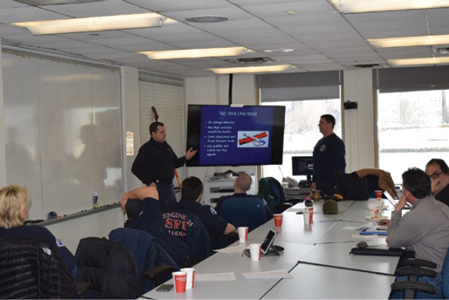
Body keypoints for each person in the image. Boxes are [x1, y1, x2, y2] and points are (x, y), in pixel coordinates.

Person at [0, 184, 77, 278]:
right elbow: (71, 267)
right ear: (21, 212)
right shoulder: (39, 233)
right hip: (40, 291)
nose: (26, 209)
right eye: (25, 206)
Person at [131, 121, 198, 211]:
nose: (165, 134)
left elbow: (174, 163)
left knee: (172, 213)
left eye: (165, 131)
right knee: (161, 215)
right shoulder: (146, 149)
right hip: (158, 188)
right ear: (153, 134)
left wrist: (185, 158)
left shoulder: (166, 147)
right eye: (161, 132)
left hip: (169, 187)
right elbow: (135, 168)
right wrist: (149, 182)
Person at [119, 184, 188, 266]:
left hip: (153, 269)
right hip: (174, 262)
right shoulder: (150, 217)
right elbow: (151, 190)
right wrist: (125, 196)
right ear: (143, 208)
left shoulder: (126, 231)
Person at [167, 176, 237, 249]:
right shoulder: (205, 212)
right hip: (202, 257)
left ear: (181, 192)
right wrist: (236, 230)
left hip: (174, 255)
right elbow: (227, 230)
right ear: (200, 196)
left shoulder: (169, 210)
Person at [312, 114, 346, 197]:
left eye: (321, 122)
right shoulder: (319, 143)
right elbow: (316, 164)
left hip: (331, 185)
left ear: (330, 125)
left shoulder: (336, 142)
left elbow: (340, 165)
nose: (318, 125)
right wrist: (314, 181)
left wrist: (336, 184)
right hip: (320, 184)